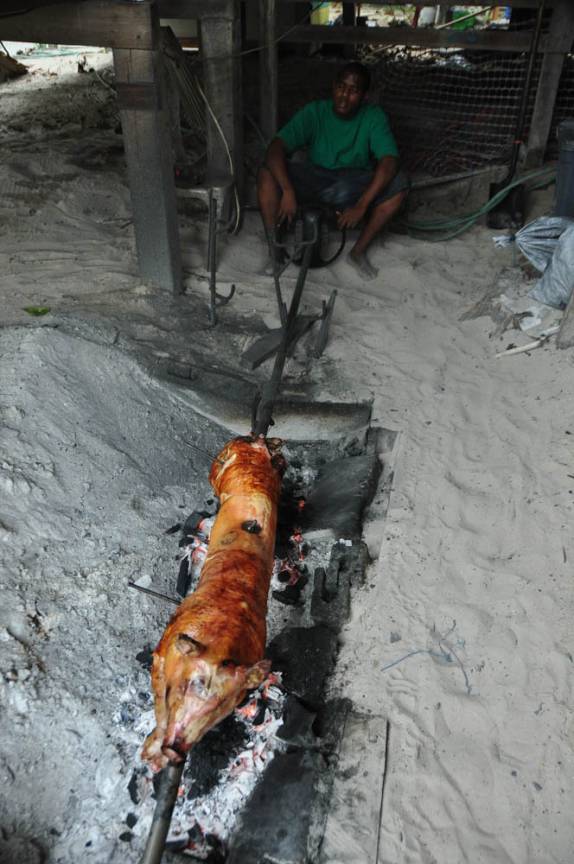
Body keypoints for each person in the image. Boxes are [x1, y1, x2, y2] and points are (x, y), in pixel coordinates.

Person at [257, 62, 409, 280]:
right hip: (315, 177)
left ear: (364, 95)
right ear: (333, 87)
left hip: (351, 184)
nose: (344, 96)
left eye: (354, 90)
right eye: (340, 87)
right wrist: (287, 190)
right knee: (266, 172)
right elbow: (275, 149)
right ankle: (275, 253)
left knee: (399, 185)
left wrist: (361, 205)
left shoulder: (373, 116)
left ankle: (357, 253)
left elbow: (390, 161)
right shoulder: (315, 111)